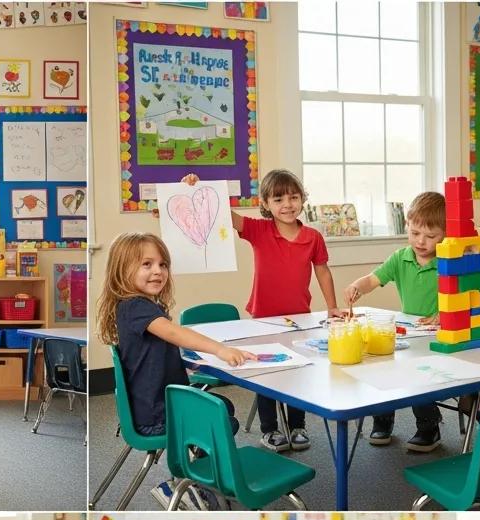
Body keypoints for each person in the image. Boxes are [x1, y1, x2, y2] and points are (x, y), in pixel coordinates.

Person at [226, 168, 345, 453]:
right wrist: (194, 188)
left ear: (303, 199)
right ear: (265, 204)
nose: (287, 204)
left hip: (299, 318)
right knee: (267, 374)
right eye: (278, 199)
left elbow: (323, 271)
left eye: (293, 197)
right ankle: (270, 429)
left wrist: (332, 307)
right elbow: (222, 215)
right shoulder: (258, 230)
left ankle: (297, 426)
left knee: (296, 374)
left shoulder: (313, 237)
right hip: (263, 319)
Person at [95, 231, 251, 440]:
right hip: (158, 416)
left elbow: (159, 346)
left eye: (163, 264)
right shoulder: (136, 306)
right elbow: (173, 332)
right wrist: (220, 349)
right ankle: (192, 467)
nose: (158, 271)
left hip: (154, 407)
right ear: (121, 270)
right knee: (224, 420)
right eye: (147, 264)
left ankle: (193, 456)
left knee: (225, 405)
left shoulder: (136, 306)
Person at [345, 191, 446, 451]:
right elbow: (373, 279)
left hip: (440, 336)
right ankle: (382, 420)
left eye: (431, 236)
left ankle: (428, 426)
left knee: (418, 374)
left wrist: (445, 315)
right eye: (415, 233)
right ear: (407, 227)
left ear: (445, 234)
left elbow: (468, 297)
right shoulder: (400, 257)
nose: (421, 241)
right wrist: (358, 285)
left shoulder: (449, 261)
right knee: (382, 365)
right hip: (411, 332)